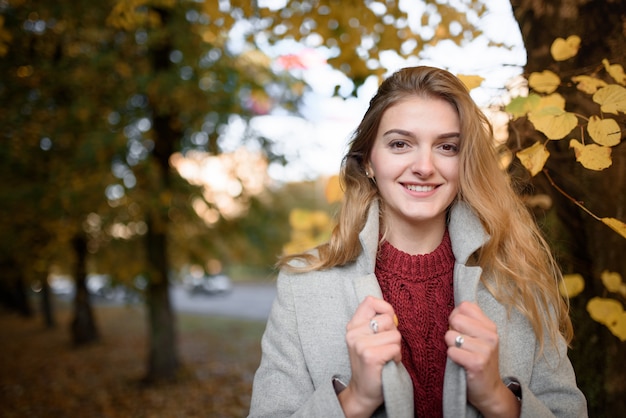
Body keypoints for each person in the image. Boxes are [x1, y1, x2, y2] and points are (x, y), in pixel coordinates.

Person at [248, 66, 587, 417]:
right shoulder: (303, 287)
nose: (424, 166)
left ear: (464, 162)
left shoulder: (519, 278)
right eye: (400, 144)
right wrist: (356, 400)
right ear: (367, 161)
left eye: (447, 147)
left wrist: (498, 400)